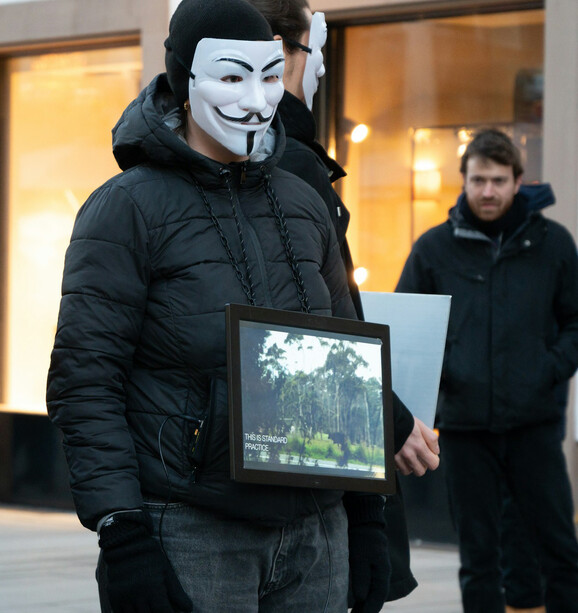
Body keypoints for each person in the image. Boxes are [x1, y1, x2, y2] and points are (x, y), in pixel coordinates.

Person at [47, 1, 389, 611]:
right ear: (184, 81)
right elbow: (85, 378)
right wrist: (120, 529)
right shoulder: (127, 208)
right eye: (231, 77)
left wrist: (367, 515)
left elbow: (348, 359)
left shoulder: (303, 202)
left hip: (317, 528)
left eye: (268, 76)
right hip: (192, 527)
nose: (257, 101)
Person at [244, 0, 440, 603]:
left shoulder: (294, 159)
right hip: (306, 459)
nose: (320, 70)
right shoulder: (289, 164)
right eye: (313, 52)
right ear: (279, 53)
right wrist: (392, 417)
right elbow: (320, 325)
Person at [396, 128, 578, 612]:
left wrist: (549, 367)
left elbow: (575, 322)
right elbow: (406, 328)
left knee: (558, 546)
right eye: (478, 180)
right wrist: (437, 385)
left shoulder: (554, 244)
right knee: (477, 555)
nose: (488, 191)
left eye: (498, 180)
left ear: (519, 181)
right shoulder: (433, 249)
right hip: (464, 425)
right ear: (464, 180)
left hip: (534, 423)